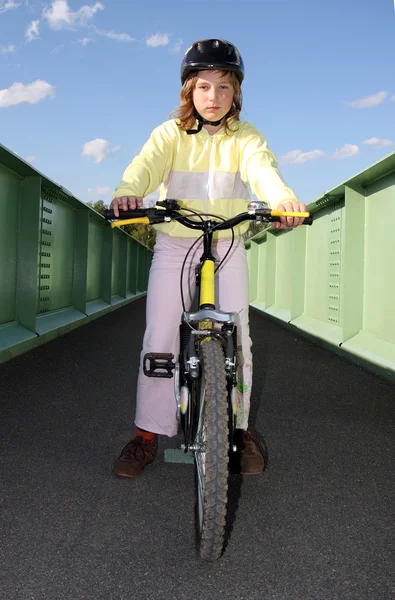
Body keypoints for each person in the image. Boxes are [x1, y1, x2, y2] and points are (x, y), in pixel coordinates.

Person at [111, 38, 306, 478]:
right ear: (189, 91)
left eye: (223, 86)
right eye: (203, 86)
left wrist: (284, 199)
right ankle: (146, 434)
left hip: (227, 244)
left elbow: (263, 169)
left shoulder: (246, 136)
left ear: (235, 91)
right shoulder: (170, 134)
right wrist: (129, 191)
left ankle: (237, 429)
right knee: (160, 335)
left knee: (239, 337)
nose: (213, 97)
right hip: (177, 243)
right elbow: (144, 165)